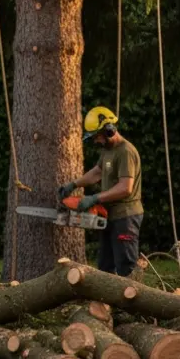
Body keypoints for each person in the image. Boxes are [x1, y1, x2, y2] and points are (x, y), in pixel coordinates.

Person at [58, 107, 144, 278]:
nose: (96, 141)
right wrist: (74, 184)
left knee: (126, 268)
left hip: (125, 217)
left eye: (97, 136)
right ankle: (105, 304)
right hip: (110, 215)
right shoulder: (108, 151)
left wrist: (95, 198)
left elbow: (125, 188)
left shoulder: (125, 152)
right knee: (105, 268)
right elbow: (97, 172)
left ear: (109, 130)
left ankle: (130, 302)